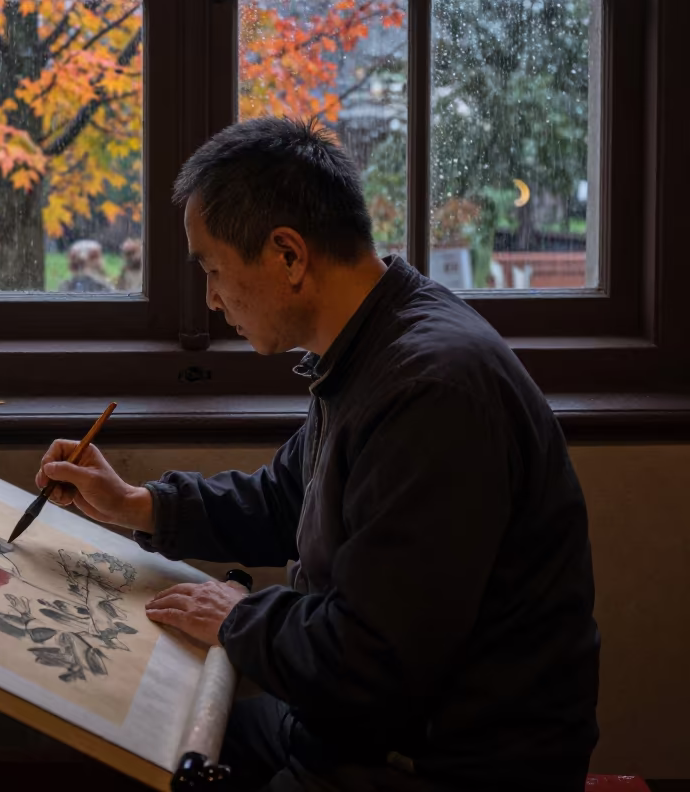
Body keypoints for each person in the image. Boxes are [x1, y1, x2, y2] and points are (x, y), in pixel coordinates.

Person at [36, 117, 599, 792]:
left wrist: (240, 618)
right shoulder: (372, 344)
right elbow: (288, 497)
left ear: (288, 256)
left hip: (449, 760)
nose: (212, 301)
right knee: (145, 754)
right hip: (367, 723)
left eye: (214, 270)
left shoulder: (431, 390)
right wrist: (138, 505)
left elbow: (377, 658)